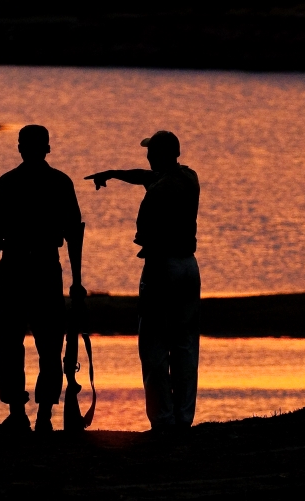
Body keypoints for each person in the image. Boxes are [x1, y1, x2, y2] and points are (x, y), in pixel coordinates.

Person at [85, 130, 200, 432]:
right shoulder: (189, 178)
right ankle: (183, 417)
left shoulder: (157, 193)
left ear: (159, 155)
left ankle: (162, 419)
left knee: (154, 347)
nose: (146, 157)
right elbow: (144, 176)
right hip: (189, 266)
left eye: (151, 152)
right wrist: (113, 173)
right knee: (185, 345)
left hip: (161, 268)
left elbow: (144, 236)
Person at [0, 124, 84, 434]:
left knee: (14, 344)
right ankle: (39, 416)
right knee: (48, 344)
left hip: (18, 268)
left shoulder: (9, 182)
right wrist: (76, 279)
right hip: (40, 268)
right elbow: (73, 235)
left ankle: (23, 414)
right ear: (47, 149)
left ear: (21, 148)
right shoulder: (59, 182)